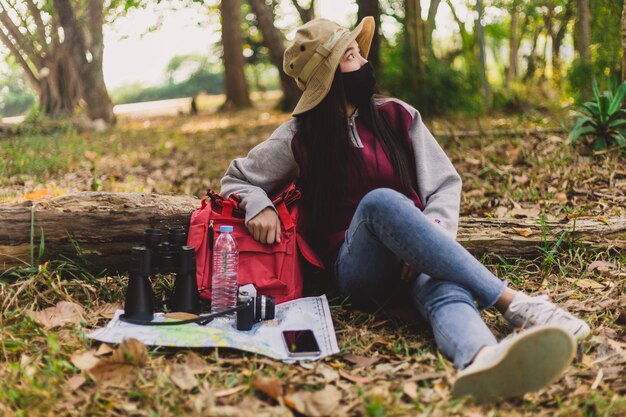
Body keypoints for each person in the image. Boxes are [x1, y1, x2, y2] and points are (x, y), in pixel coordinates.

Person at [220, 16, 590, 403]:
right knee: (381, 201)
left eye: (359, 52)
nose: (363, 62)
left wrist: (430, 234)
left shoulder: (398, 115)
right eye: (350, 56)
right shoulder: (300, 137)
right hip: (357, 269)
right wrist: (258, 204)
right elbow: (237, 178)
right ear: (328, 79)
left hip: (418, 255)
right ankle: (515, 304)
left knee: (445, 287)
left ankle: (483, 359)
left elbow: (445, 185)